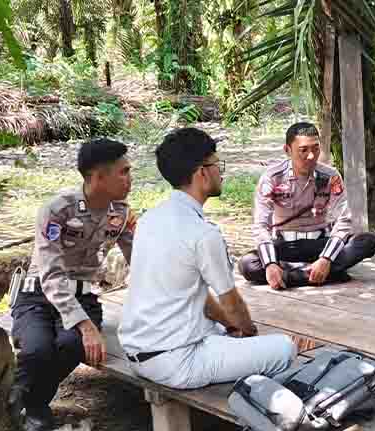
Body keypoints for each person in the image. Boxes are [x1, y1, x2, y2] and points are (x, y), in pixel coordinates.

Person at [118, 128, 295, 389]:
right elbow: (232, 303)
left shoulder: (149, 219)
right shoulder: (203, 234)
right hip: (178, 362)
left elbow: (201, 299)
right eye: (216, 165)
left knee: (223, 331)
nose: (220, 172)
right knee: (284, 348)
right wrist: (246, 330)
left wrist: (229, 325)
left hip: (137, 352)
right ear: (202, 172)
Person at [9, 138, 137, 431]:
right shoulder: (57, 210)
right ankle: (13, 400)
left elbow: (139, 261)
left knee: (71, 345)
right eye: (124, 172)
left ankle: (35, 402)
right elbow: (51, 275)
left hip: (83, 296)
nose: (130, 179)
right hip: (38, 295)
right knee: (37, 350)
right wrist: (87, 325)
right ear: (97, 177)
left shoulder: (122, 214)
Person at [238, 122, 375, 289]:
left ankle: (294, 275)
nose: (311, 156)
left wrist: (326, 258)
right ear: (287, 150)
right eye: (303, 150)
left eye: (316, 149)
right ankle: (327, 273)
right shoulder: (272, 178)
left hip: (320, 244)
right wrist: (269, 264)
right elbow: (261, 226)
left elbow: (343, 221)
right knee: (248, 264)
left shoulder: (330, 177)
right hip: (284, 245)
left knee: (366, 242)